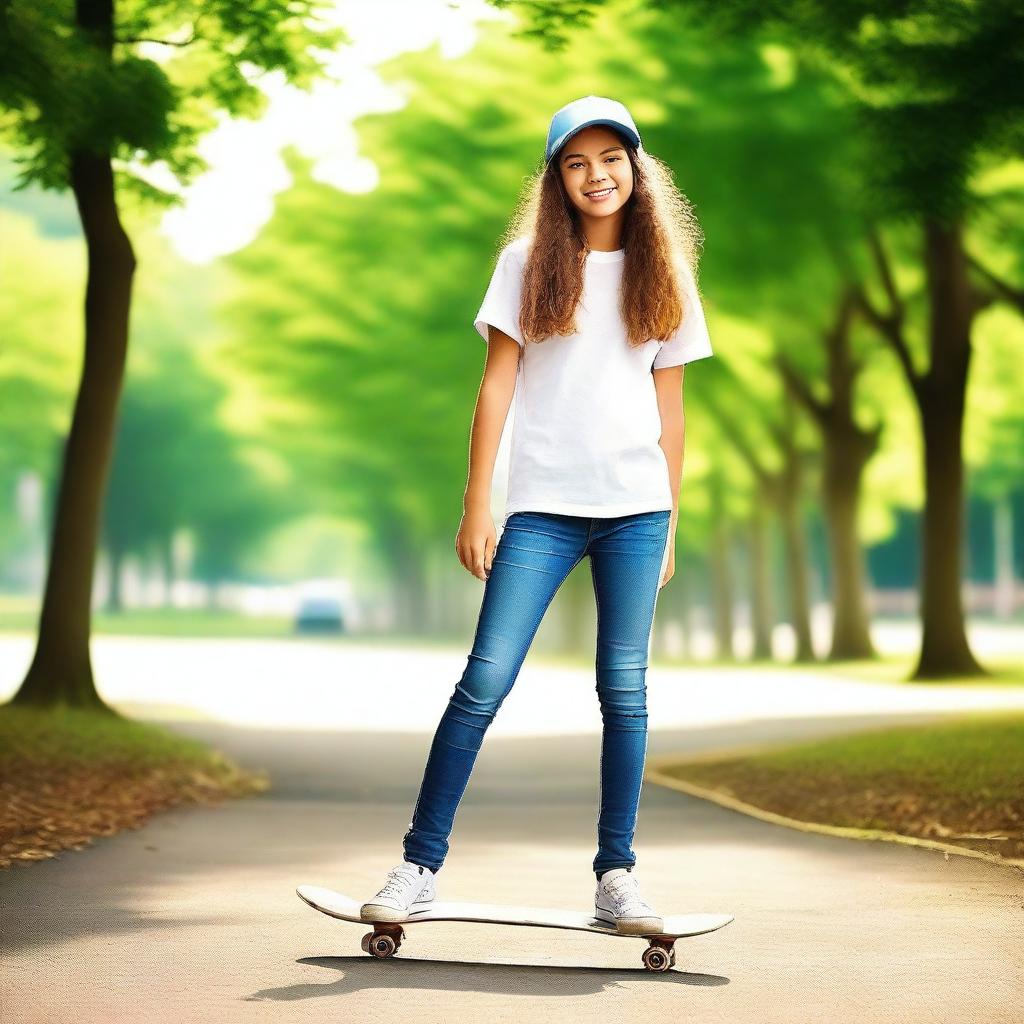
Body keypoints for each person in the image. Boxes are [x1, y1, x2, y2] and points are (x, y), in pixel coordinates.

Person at [361, 95, 714, 936]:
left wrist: (669, 517)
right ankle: (417, 865)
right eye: (576, 163)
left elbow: (673, 410)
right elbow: (497, 385)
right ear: (557, 178)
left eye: (612, 160)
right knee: (484, 681)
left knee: (624, 693)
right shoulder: (527, 263)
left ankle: (617, 875)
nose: (597, 176)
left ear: (638, 170)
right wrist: (477, 500)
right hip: (542, 508)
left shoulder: (664, 272)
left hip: (635, 509)